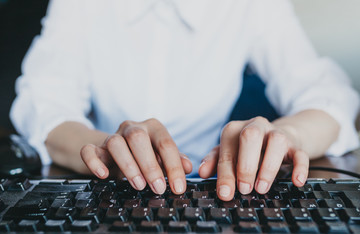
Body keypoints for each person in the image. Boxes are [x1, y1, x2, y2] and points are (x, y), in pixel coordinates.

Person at [10, 0, 359, 201]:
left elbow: (328, 95)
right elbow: (43, 100)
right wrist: (105, 148)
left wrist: (288, 136)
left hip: (217, 192)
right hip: (111, 191)